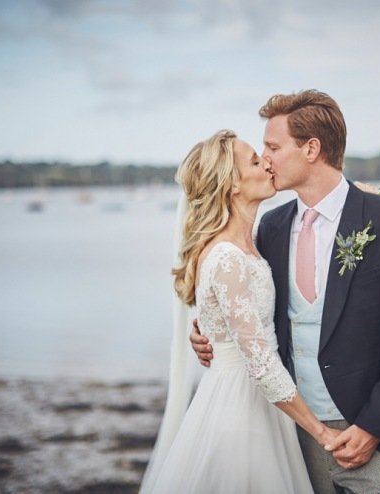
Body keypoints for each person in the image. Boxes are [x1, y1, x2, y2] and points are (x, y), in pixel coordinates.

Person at [191, 91, 380, 494]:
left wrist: (372, 427)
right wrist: (206, 331)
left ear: (311, 149)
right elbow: (245, 304)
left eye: (272, 147)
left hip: (377, 438)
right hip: (295, 438)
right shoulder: (269, 228)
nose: (266, 158)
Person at [139, 129, 341, 493]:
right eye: (253, 159)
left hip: (265, 407)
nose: (265, 161)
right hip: (239, 412)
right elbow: (261, 362)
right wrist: (322, 433)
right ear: (231, 184)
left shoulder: (252, 243)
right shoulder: (227, 257)